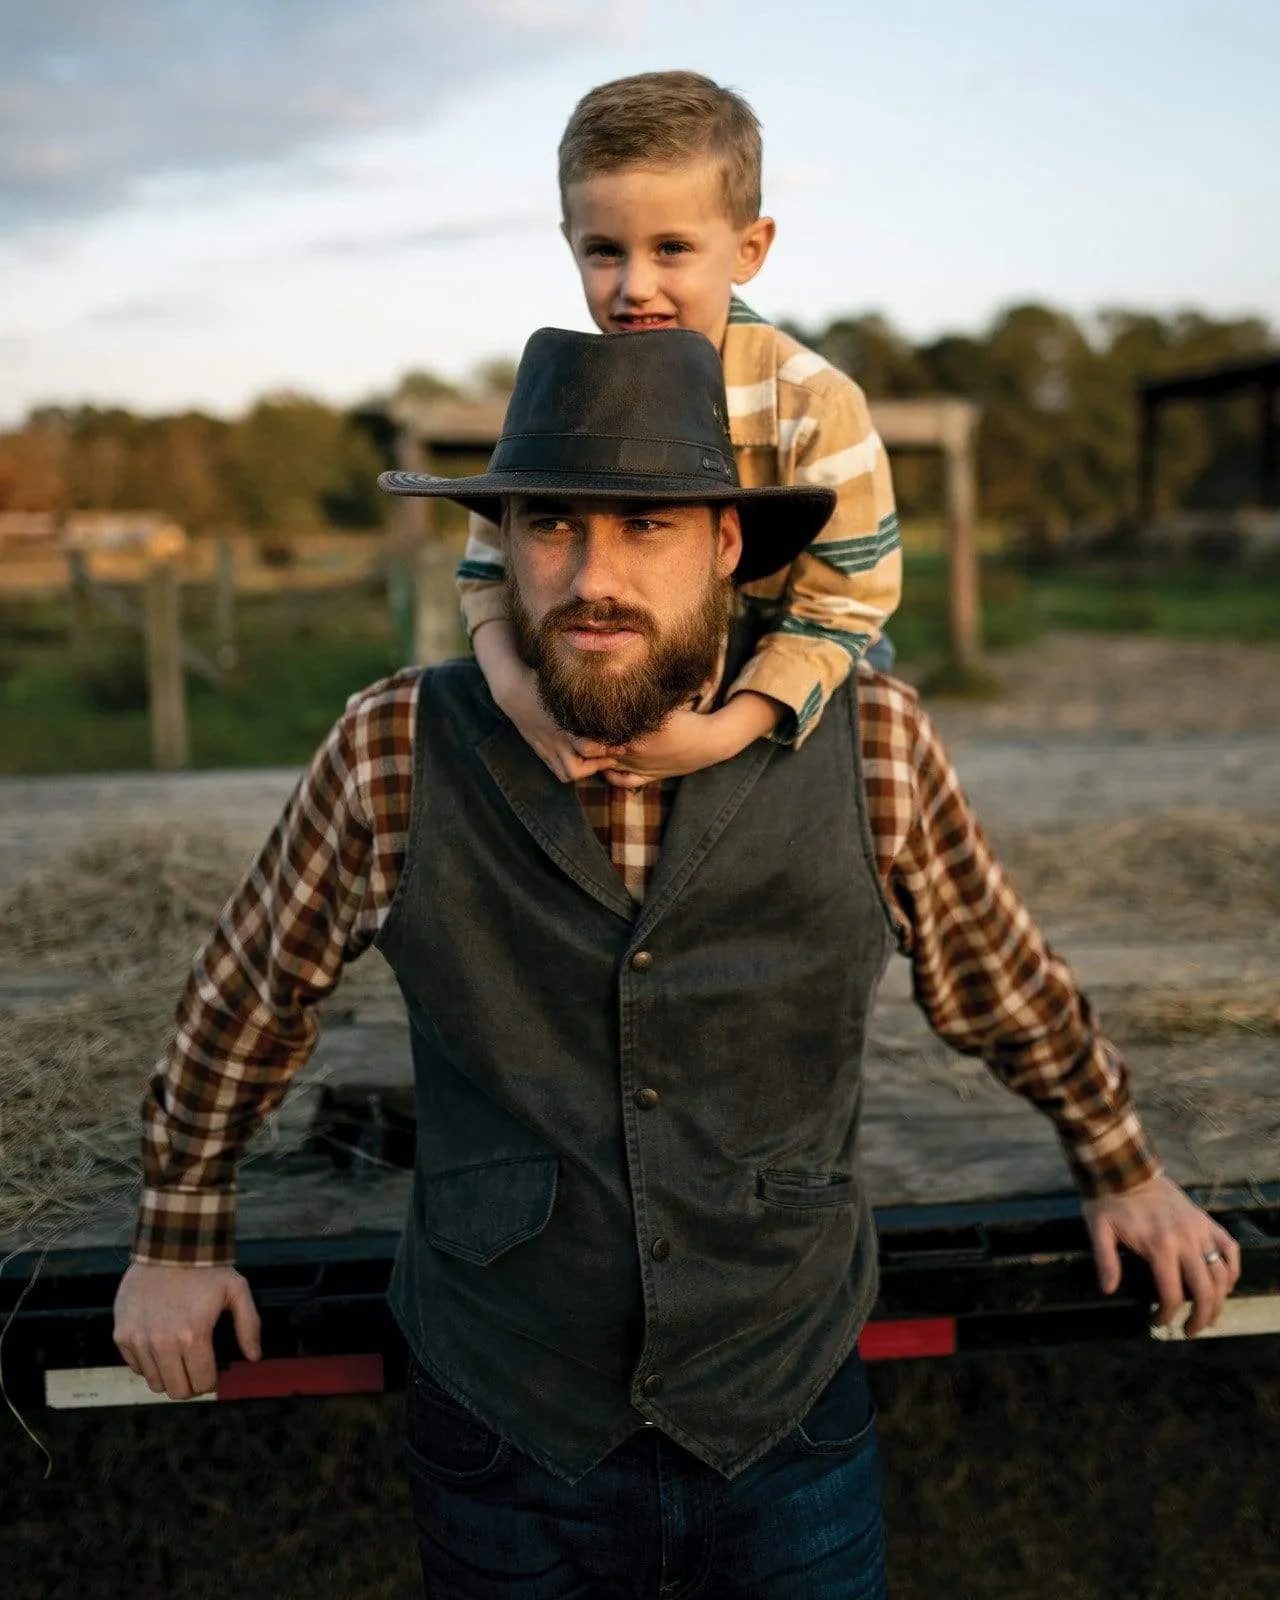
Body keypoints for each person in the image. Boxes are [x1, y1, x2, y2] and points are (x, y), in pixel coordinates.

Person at [115, 328, 1240, 1600]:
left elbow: (993, 977)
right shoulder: (393, 741)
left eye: (644, 526)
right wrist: (177, 1235)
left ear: (722, 542)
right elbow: (248, 995)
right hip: (504, 1402)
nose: (591, 577)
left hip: (781, 1397)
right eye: (551, 525)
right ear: (501, 544)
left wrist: (1122, 1165)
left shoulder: (867, 735)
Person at [457, 70, 903, 790]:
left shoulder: (814, 403)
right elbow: (484, 573)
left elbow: (847, 601)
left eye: (671, 248)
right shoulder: (558, 396)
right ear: (569, 241)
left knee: (871, 720)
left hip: (780, 662)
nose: (634, 285)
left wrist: (727, 731)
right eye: (604, 250)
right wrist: (519, 697)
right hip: (606, 659)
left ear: (749, 249)